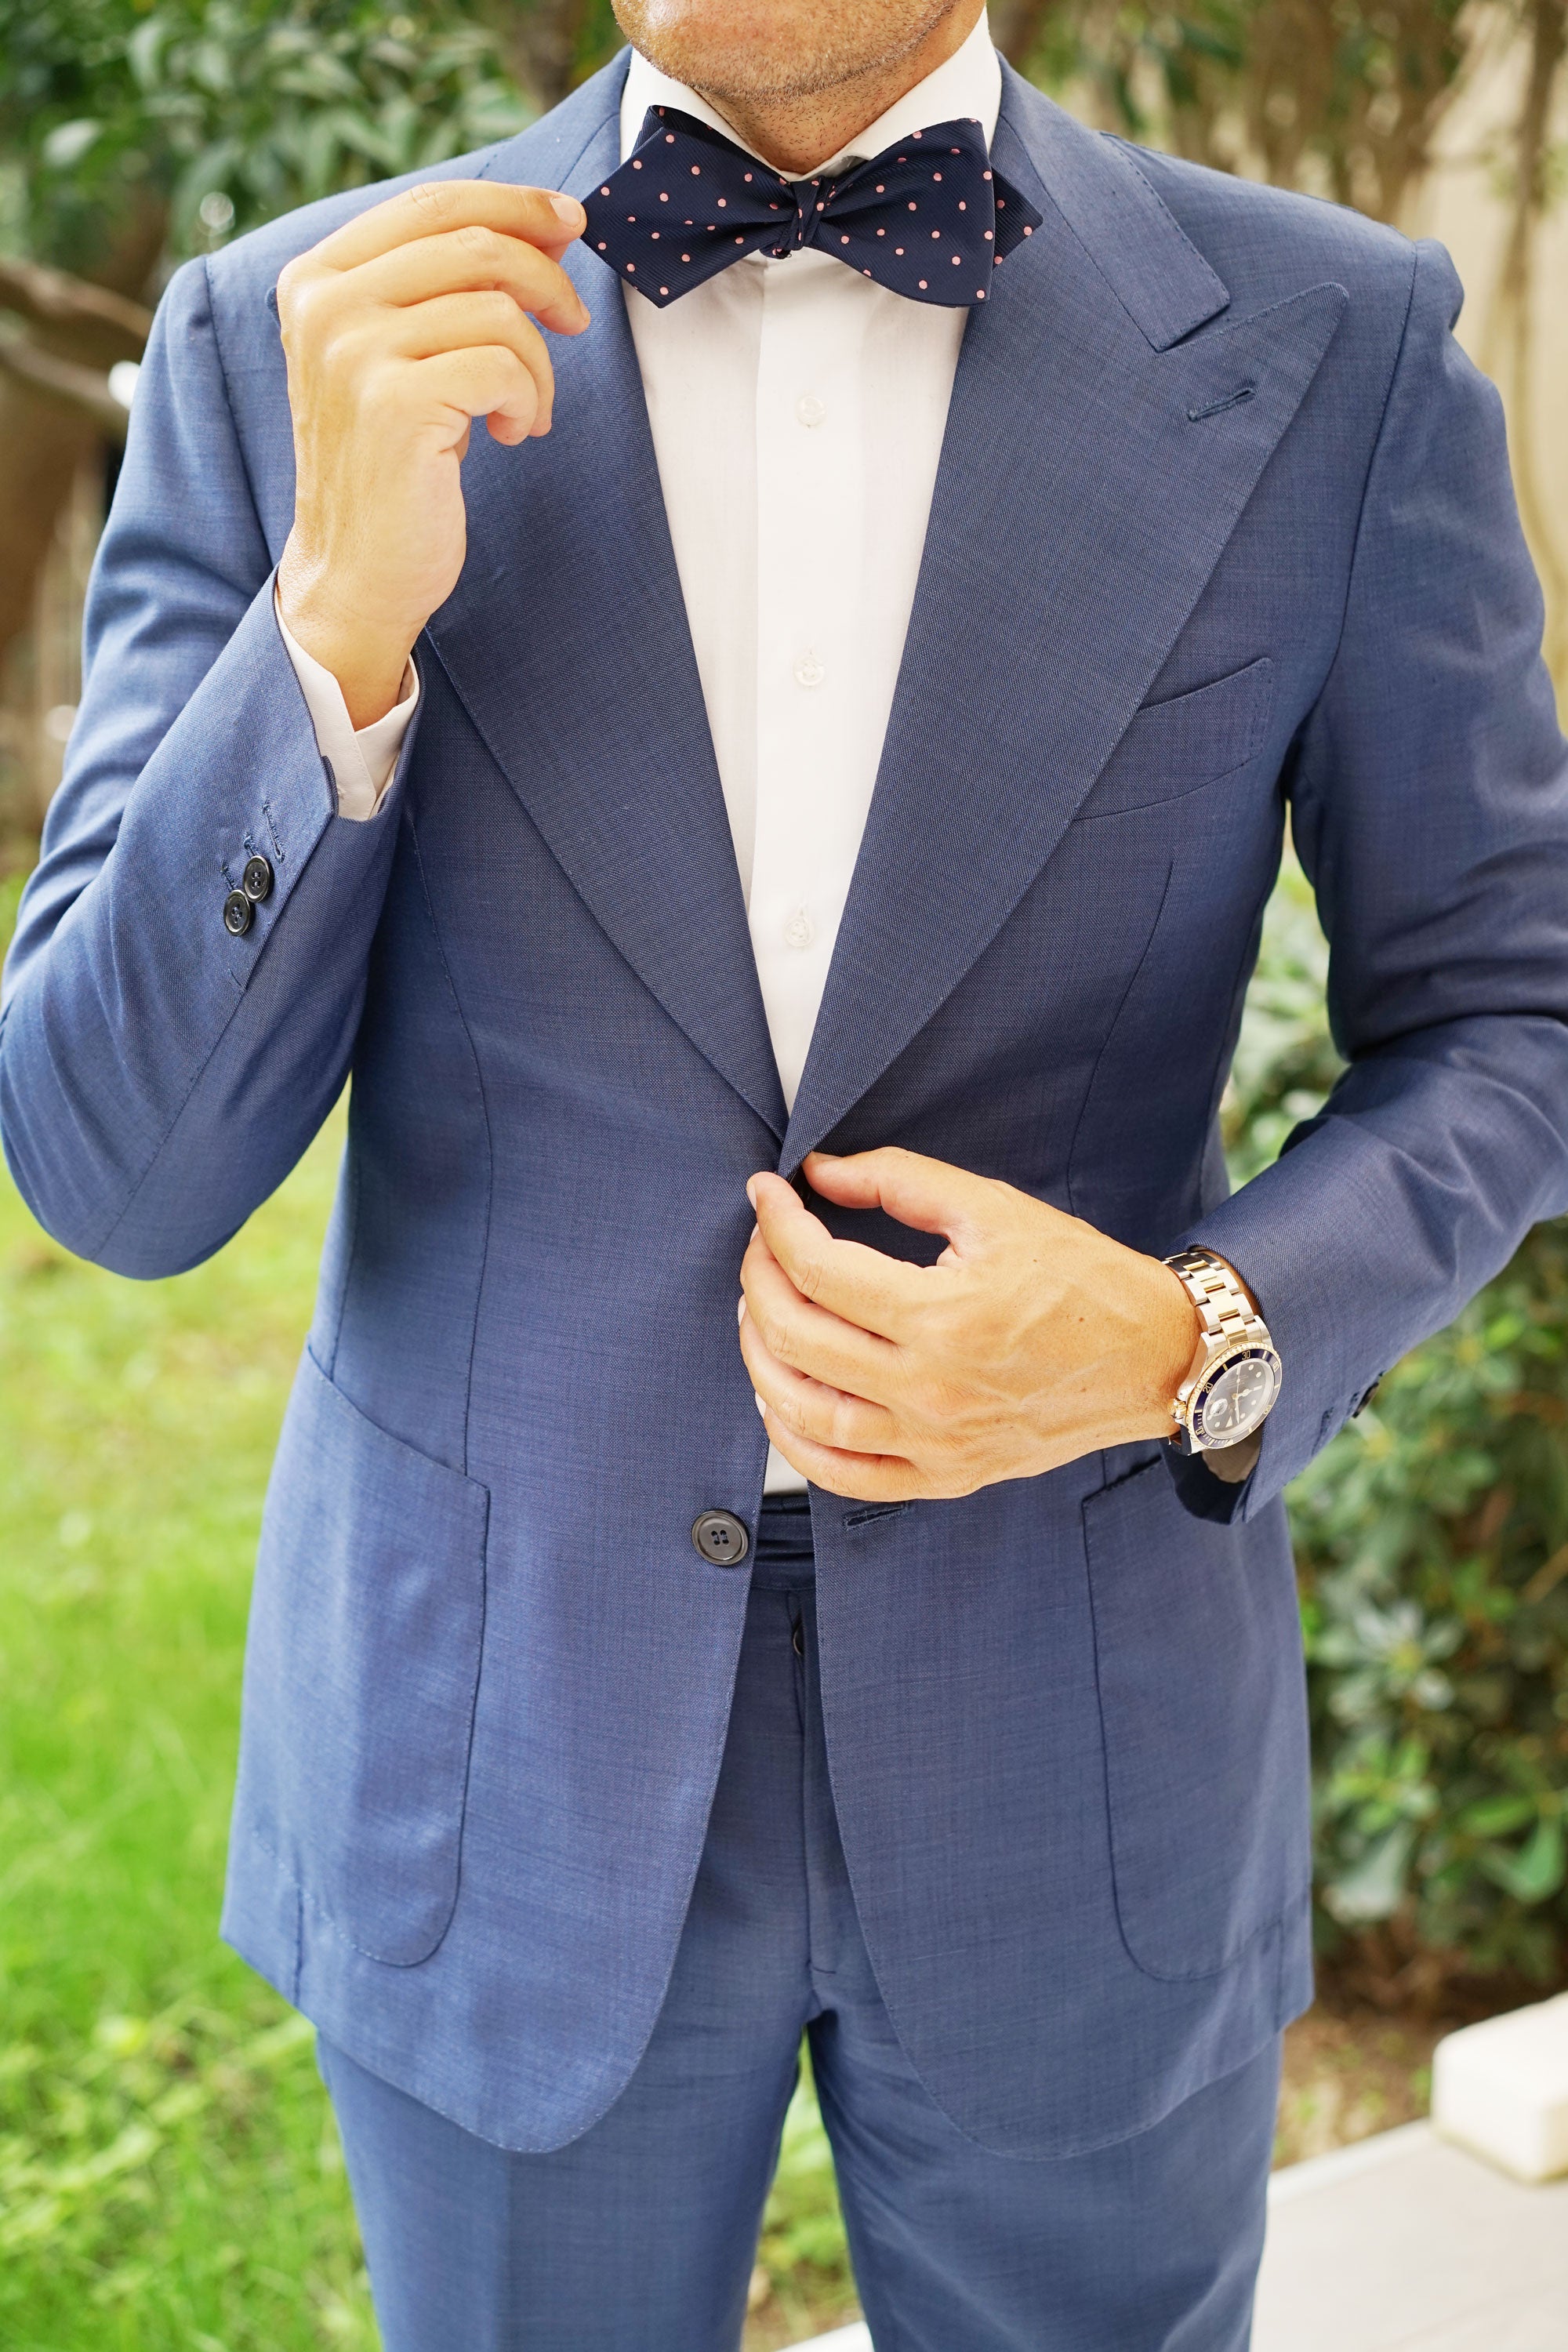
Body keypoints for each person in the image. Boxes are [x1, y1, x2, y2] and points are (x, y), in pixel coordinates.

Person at [4, 0, 1567, 2341]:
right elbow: (115, 1176)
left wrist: (1190, 1333)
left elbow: (1507, 1013)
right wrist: (330, 620)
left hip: (1086, 1762)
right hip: (494, 1759)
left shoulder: (1337, 349)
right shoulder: (285, 340)